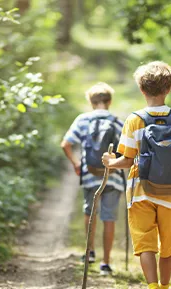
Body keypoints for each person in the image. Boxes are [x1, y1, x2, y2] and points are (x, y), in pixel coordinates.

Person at [102, 61, 171, 289]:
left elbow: (126, 159)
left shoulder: (134, 120)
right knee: (166, 247)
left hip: (140, 191)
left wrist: (110, 163)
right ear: (168, 88)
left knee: (146, 244)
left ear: (141, 90)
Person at [61, 82, 125, 276]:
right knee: (109, 217)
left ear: (90, 102)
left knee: (90, 212)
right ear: (109, 101)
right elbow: (128, 149)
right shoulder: (116, 121)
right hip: (112, 176)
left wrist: (76, 164)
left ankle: (89, 252)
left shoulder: (83, 120)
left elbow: (66, 144)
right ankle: (105, 263)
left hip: (89, 175)